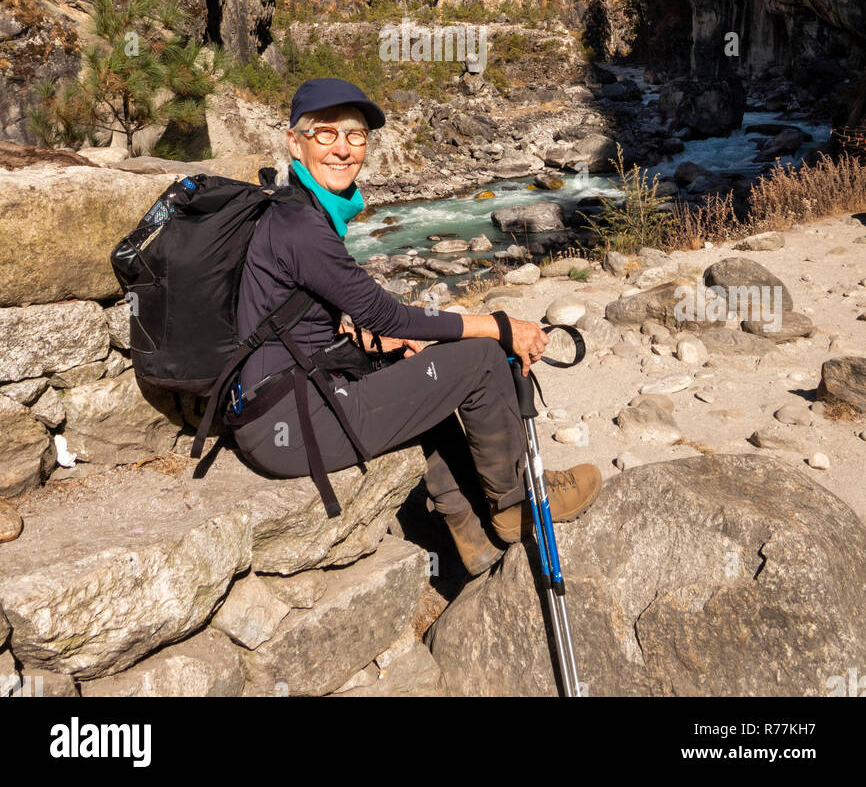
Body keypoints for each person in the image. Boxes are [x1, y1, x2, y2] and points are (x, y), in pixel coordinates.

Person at [233, 76, 601, 575]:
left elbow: (312, 314)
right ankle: (516, 505)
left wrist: (392, 336)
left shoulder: (295, 210)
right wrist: (496, 324)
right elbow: (384, 313)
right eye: (326, 134)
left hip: (280, 402)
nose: (343, 149)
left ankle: (465, 528)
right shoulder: (302, 227)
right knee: (482, 356)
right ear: (294, 142)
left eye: (356, 135)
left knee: (411, 358)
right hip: (292, 426)